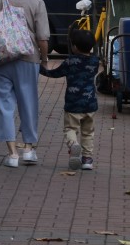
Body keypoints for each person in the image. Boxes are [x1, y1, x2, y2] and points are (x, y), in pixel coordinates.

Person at [0, 0, 50, 167]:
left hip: (1, 59)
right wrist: (44, 59)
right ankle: (28, 150)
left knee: (3, 103)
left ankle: (12, 154)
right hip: (27, 58)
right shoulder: (37, 2)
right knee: (28, 101)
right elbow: (43, 37)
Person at [39, 28, 99, 170]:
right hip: (90, 104)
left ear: (74, 47)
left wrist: (39, 68)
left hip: (73, 104)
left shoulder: (70, 61)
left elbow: (55, 74)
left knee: (70, 128)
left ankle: (74, 145)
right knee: (88, 132)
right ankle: (87, 159)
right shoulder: (95, 62)